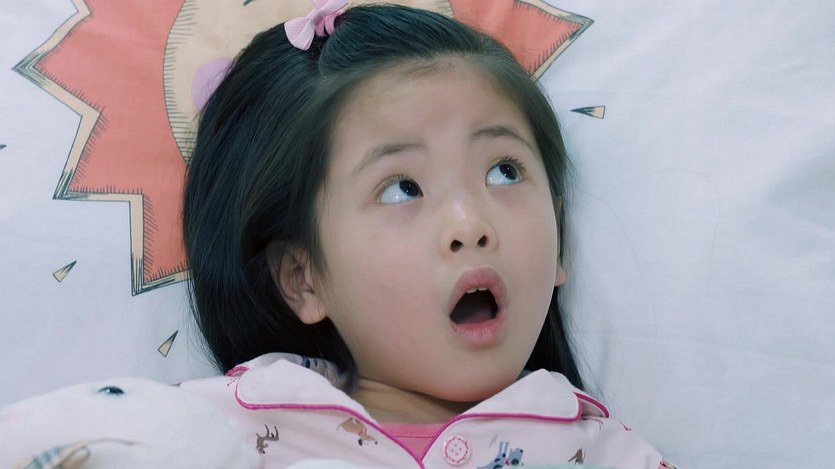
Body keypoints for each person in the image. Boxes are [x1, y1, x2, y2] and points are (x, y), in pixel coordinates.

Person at [181, 2, 674, 468]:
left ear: (559, 241)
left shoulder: (608, 453)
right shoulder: (219, 430)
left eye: (503, 171)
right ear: (302, 278)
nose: (469, 225)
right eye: (403, 189)